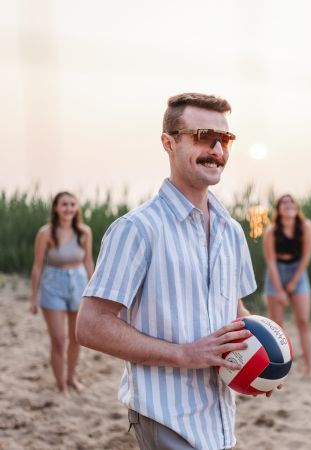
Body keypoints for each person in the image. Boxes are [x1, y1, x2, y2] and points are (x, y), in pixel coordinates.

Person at [76, 93, 260, 450]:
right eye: (203, 137)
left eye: (225, 140)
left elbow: (235, 312)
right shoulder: (137, 229)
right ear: (169, 143)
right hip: (165, 418)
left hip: (221, 420)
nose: (217, 150)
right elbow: (90, 325)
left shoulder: (232, 231)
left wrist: (258, 363)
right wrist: (184, 354)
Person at [30, 191, 94, 395]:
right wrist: (33, 298)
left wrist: (93, 293)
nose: (68, 208)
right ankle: (61, 385)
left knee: (76, 337)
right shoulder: (45, 233)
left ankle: (71, 377)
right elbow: (37, 266)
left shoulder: (84, 232)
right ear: (56, 208)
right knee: (58, 340)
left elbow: (88, 262)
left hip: (78, 282)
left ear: (76, 208)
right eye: (64, 204)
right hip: (52, 284)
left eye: (72, 204)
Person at [263, 194, 311, 376]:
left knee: (303, 322)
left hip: (298, 271)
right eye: (284, 203)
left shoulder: (306, 226)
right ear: (278, 209)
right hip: (276, 273)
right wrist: (279, 290)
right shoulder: (271, 231)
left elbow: (307, 256)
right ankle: (279, 369)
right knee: (276, 326)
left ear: (297, 206)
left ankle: (310, 368)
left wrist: (293, 283)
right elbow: (270, 262)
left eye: (292, 201)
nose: (288, 205)